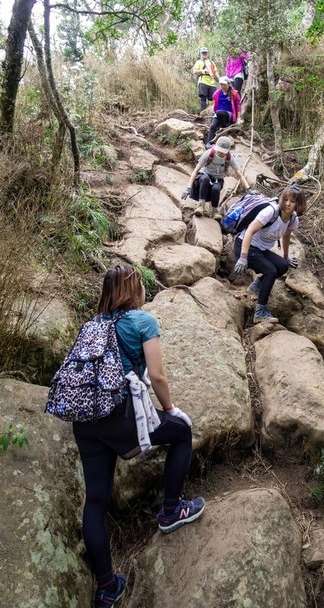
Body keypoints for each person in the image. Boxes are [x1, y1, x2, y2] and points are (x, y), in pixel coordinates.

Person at [73, 264, 205, 608]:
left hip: (86, 420)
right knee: (181, 433)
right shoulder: (142, 322)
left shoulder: (92, 325)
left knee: (97, 501)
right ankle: (171, 509)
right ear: (133, 291)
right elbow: (158, 375)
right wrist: (171, 409)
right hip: (120, 417)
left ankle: (106, 587)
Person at [233, 185, 307, 323]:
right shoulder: (271, 212)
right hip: (245, 245)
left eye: (292, 201)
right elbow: (249, 231)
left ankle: (256, 286)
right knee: (271, 271)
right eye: (285, 199)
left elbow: (286, 236)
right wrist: (243, 258)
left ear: (299, 204)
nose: (287, 204)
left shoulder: (293, 219)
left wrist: (286, 257)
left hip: (260, 249)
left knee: (283, 266)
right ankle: (260, 312)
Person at [181, 136, 250, 219]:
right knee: (204, 179)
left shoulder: (229, 158)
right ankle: (200, 206)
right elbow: (196, 170)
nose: (220, 153)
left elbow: (239, 174)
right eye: (219, 151)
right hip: (204, 176)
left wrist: (248, 188)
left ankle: (214, 210)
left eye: (222, 152)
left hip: (218, 180)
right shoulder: (209, 153)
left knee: (216, 188)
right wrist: (188, 187)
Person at [206, 76, 241, 146]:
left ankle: (224, 127)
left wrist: (238, 118)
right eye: (221, 84)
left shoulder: (234, 93)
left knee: (219, 113)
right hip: (219, 113)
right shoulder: (217, 93)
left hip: (229, 114)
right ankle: (208, 144)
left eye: (224, 84)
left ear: (229, 84)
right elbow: (214, 101)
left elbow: (238, 106)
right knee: (213, 126)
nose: (222, 86)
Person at [192, 46, 219, 112]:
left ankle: (214, 112)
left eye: (205, 53)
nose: (204, 54)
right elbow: (194, 71)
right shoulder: (198, 62)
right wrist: (202, 71)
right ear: (201, 54)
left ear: (208, 53)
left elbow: (215, 72)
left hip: (212, 82)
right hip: (203, 80)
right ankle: (203, 113)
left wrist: (220, 80)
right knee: (203, 97)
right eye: (203, 53)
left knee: (214, 97)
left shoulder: (212, 62)